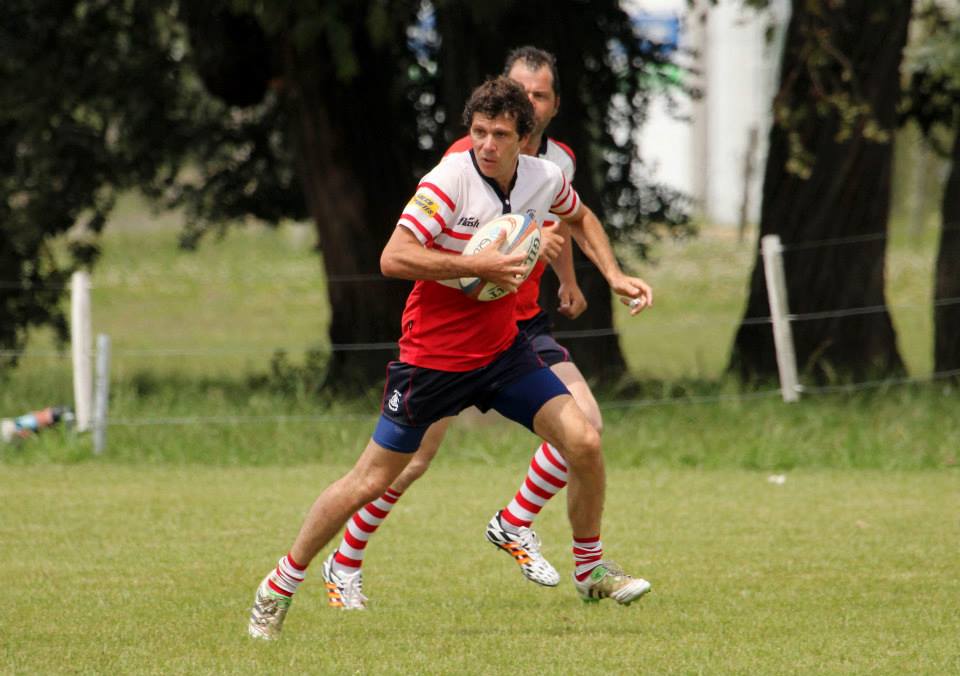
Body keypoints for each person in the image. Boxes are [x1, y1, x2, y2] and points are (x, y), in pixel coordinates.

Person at [248, 75, 652, 640]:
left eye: (500, 134)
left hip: (502, 351)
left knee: (583, 440)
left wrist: (613, 274)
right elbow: (393, 257)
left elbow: (579, 216)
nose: (487, 145)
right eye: (479, 132)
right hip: (433, 359)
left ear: (524, 137)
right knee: (370, 479)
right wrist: (477, 266)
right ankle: (281, 583)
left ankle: (589, 568)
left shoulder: (545, 177)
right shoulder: (449, 181)